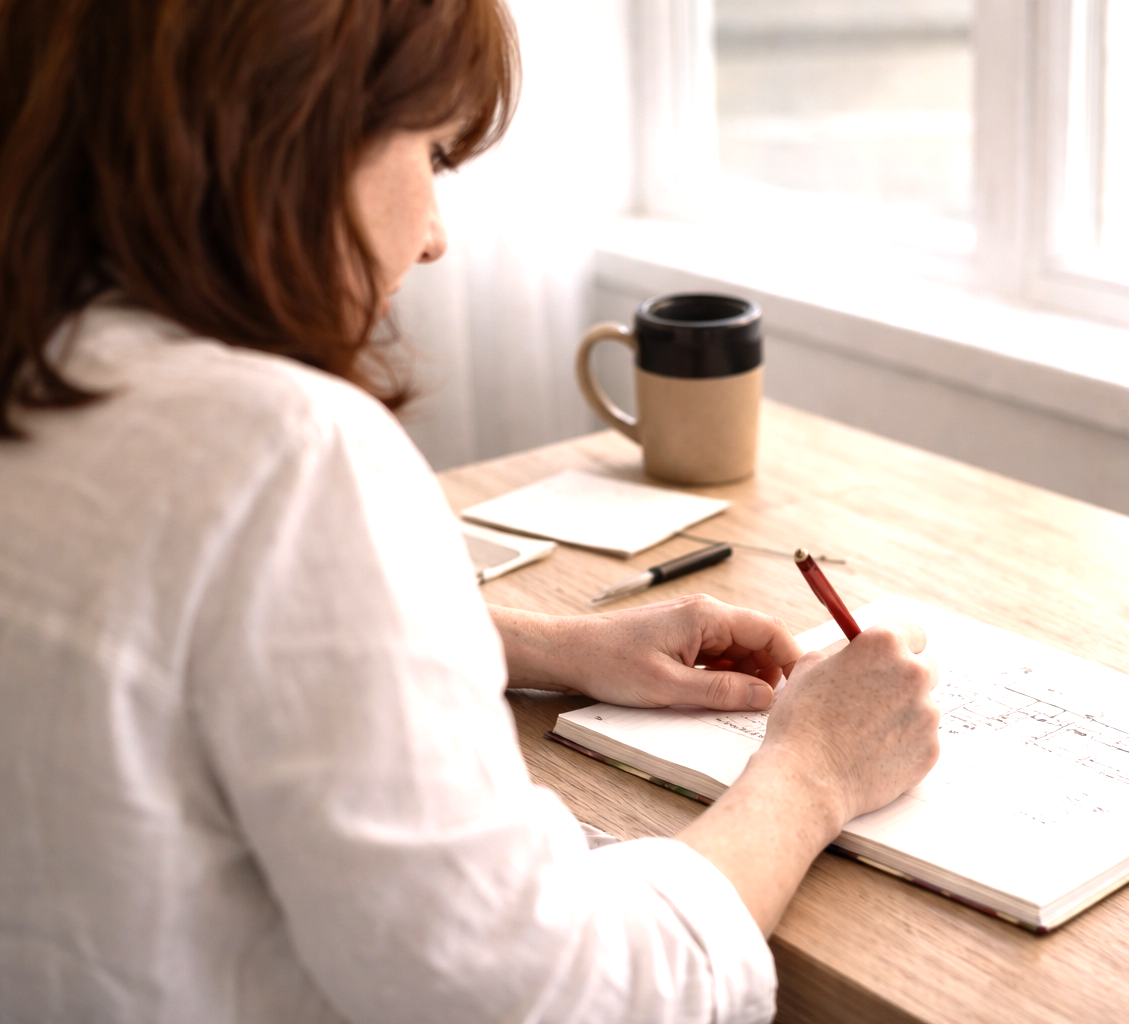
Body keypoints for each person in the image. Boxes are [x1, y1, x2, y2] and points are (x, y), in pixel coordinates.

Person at [0, 1, 941, 1022]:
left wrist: (551, 646)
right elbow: (547, 994)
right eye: (436, 153)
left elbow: (188, 632)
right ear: (285, 125)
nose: (439, 237)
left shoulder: (50, 372)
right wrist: (812, 772)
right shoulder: (286, 451)